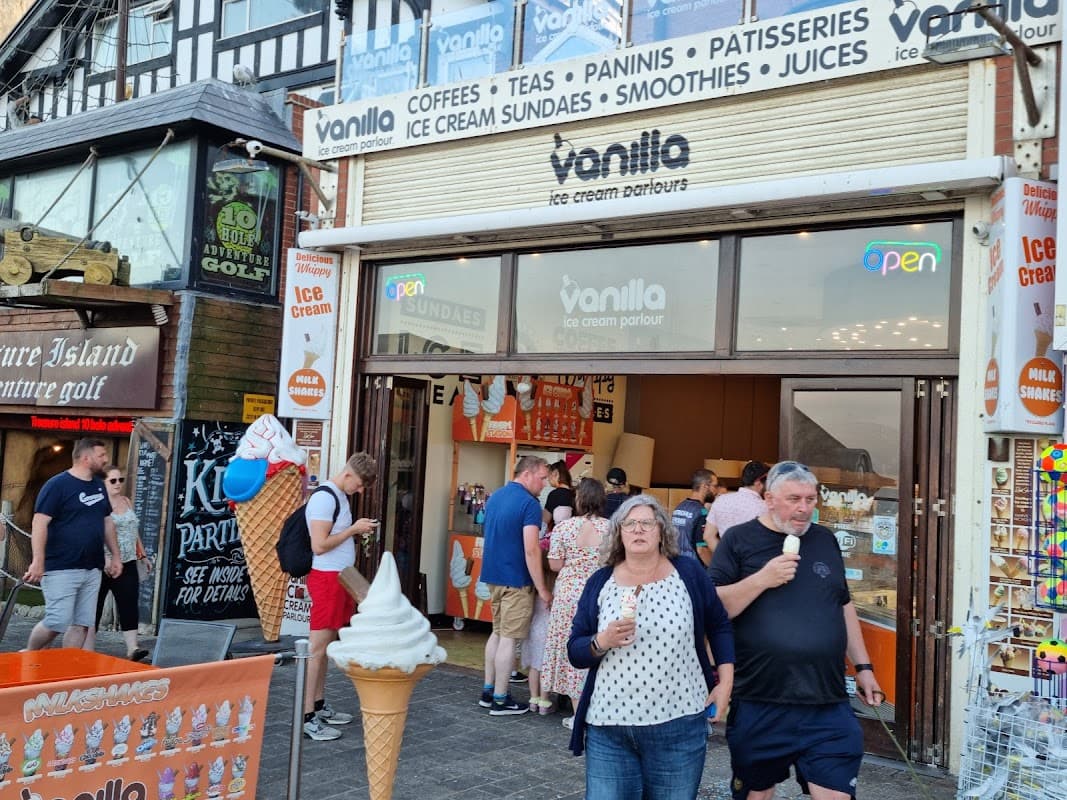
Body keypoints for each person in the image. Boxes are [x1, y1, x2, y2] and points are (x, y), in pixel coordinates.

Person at [708, 461, 883, 800]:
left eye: (810, 499)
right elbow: (715, 609)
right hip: (761, 699)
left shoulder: (825, 540)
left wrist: (864, 667)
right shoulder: (738, 540)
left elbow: (842, 604)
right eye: (794, 499)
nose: (804, 509)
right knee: (757, 794)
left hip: (826, 700)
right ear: (769, 498)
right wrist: (762, 579)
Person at [567, 495, 735, 799]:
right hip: (610, 726)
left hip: (679, 725)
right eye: (629, 523)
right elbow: (575, 650)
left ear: (662, 531)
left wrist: (725, 682)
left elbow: (719, 625)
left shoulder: (688, 573)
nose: (638, 530)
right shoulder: (601, 582)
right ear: (618, 532)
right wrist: (601, 641)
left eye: (647, 522)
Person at [302, 452, 380, 741]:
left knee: (326, 645)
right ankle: (307, 715)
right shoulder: (325, 498)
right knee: (317, 648)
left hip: (338, 578)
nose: (359, 491)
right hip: (327, 579)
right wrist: (353, 530)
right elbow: (319, 545)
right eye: (359, 484)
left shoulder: (338, 496)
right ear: (348, 475)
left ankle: (318, 705)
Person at [24, 438, 123, 650]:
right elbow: (40, 522)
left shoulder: (99, 486)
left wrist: (115, 555)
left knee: (83, 624)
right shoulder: (57, 485)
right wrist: (38, 561)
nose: (105, 460)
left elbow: (107, 522)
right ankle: (30, 654)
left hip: (92, 566)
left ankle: (69, 666)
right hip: (61, 565)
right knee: (56, 621)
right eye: (101, 456)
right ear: (86, 458)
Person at [479, 455, 553, 716]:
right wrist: (543, 588)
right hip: (517, 580)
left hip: (493, 574)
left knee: (497, 632)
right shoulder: (529, 504)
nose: (544, 484)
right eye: (542, 478)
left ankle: (488, 691)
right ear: (528, 474)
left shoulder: (496, 496)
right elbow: (532, 549)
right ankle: (501, 698)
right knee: (509, 638)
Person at [540, 477, 612, 727]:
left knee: (571, 647)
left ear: (579, 499)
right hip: (599, 593)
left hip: (568, 594)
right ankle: (597, 707)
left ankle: (577, 711)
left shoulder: (564, 528)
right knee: (598, 646)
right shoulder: (611, 528)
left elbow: (555, 564)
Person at [84, 465, 151, 661]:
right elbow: (92, 533)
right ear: (102, 483)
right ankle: (87, 650)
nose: (117, 484)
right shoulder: (97, 504)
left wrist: (143, 554)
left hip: (128, 560)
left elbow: (134, 530)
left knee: (129, 603)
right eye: (112, 481)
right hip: (102, 561)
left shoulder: (126, 501)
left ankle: (133, 648)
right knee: (93, 606)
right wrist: (104, 558)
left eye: (120, 480)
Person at [704, 461, 769, 557]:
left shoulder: (721, 500)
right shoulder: (765, 507)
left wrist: (726, 558)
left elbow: (708, 536)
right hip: (754, 565)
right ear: (758, 483)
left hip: (727, 566)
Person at [672, 468, 719, 564]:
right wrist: (713, 569)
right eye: (715, 486)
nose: (716, 491)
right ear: (705, 486)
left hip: (677, 566)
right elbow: (701, 549)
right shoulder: (701, 513)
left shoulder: (679, 508)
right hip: (694, 569)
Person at [543, 460, 575, 534]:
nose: (548, 479)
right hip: (573, 537)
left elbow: (545, 519)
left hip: (557, 537)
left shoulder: (555, 494)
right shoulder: (575, 493)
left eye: (549, 475)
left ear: (555, 473)